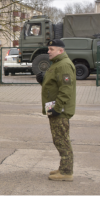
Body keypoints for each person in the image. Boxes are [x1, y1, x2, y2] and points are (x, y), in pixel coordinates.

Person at [37, 39, 76, 181]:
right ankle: (63, 167)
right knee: (58, 139)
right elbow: (54, 85)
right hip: (53, 107)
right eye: (48, 49)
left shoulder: (64, 65)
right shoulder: (57, 64)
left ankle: (66, 172)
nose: (48, 51)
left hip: (59, 109)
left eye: (51, 49)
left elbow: (66, 89)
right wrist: (42, 80)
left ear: (60, 50)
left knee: (62, 140)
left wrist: (57, 108)